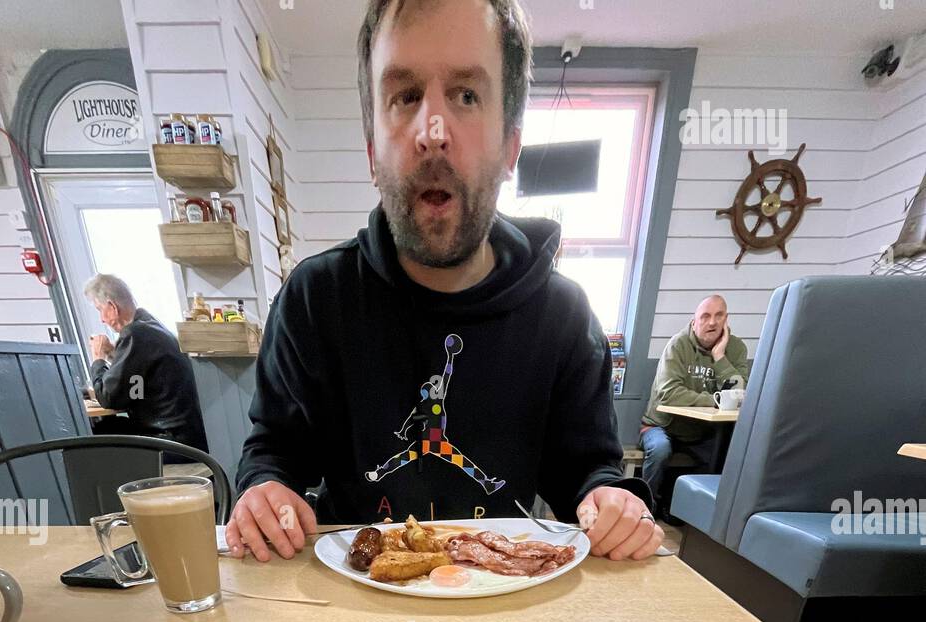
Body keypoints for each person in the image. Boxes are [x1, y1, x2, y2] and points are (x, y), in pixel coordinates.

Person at [227, 0, 662, 563]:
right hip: (350, 608)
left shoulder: (565, 315)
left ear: (510, 148)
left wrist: (612, 500)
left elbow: (588, 472)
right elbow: (274, 454)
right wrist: (264, 492)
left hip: (503, 596)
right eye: (405, 96)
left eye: (466, 95)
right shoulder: (313, 300)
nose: (433, 133)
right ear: (371, 151)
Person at [639, 294, 748, 504]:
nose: (712, 322)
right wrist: (714, 400)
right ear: (694, 321)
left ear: (726, 320)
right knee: (660, 450)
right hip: (662, 425)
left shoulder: (736, 349)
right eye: (705, 316)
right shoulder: (678, 345)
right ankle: (646, 506)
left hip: (703, 430)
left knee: (724, 457)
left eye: (719, 316)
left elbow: (739, 393)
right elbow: (668, 393)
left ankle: (690, 509)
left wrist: (719, 357)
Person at [83, 274, 209, 456]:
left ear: (112, 307)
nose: (101, 319)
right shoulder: (152, 327)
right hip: (185, 434)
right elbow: (137, 388)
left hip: (170, 440)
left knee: (100, 431)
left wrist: (98, 359)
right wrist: (113, 354)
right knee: (110, 426)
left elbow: (109, 397)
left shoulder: (135, 334)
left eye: (99, 309)